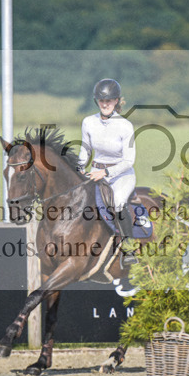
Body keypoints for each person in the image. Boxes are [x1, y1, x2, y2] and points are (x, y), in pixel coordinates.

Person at [79, 78, 138, 265]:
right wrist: (79, 168)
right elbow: (86, 150)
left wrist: (104, 174)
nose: (105, 104)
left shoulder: (125, 126)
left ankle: (129, 249)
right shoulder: (88, 122)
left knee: (118, 202)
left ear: (117, 101)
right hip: (95, 171)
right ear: (96, 101)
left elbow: (129, 160)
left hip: (121, 175)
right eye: (101, 100)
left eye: (110, 100)